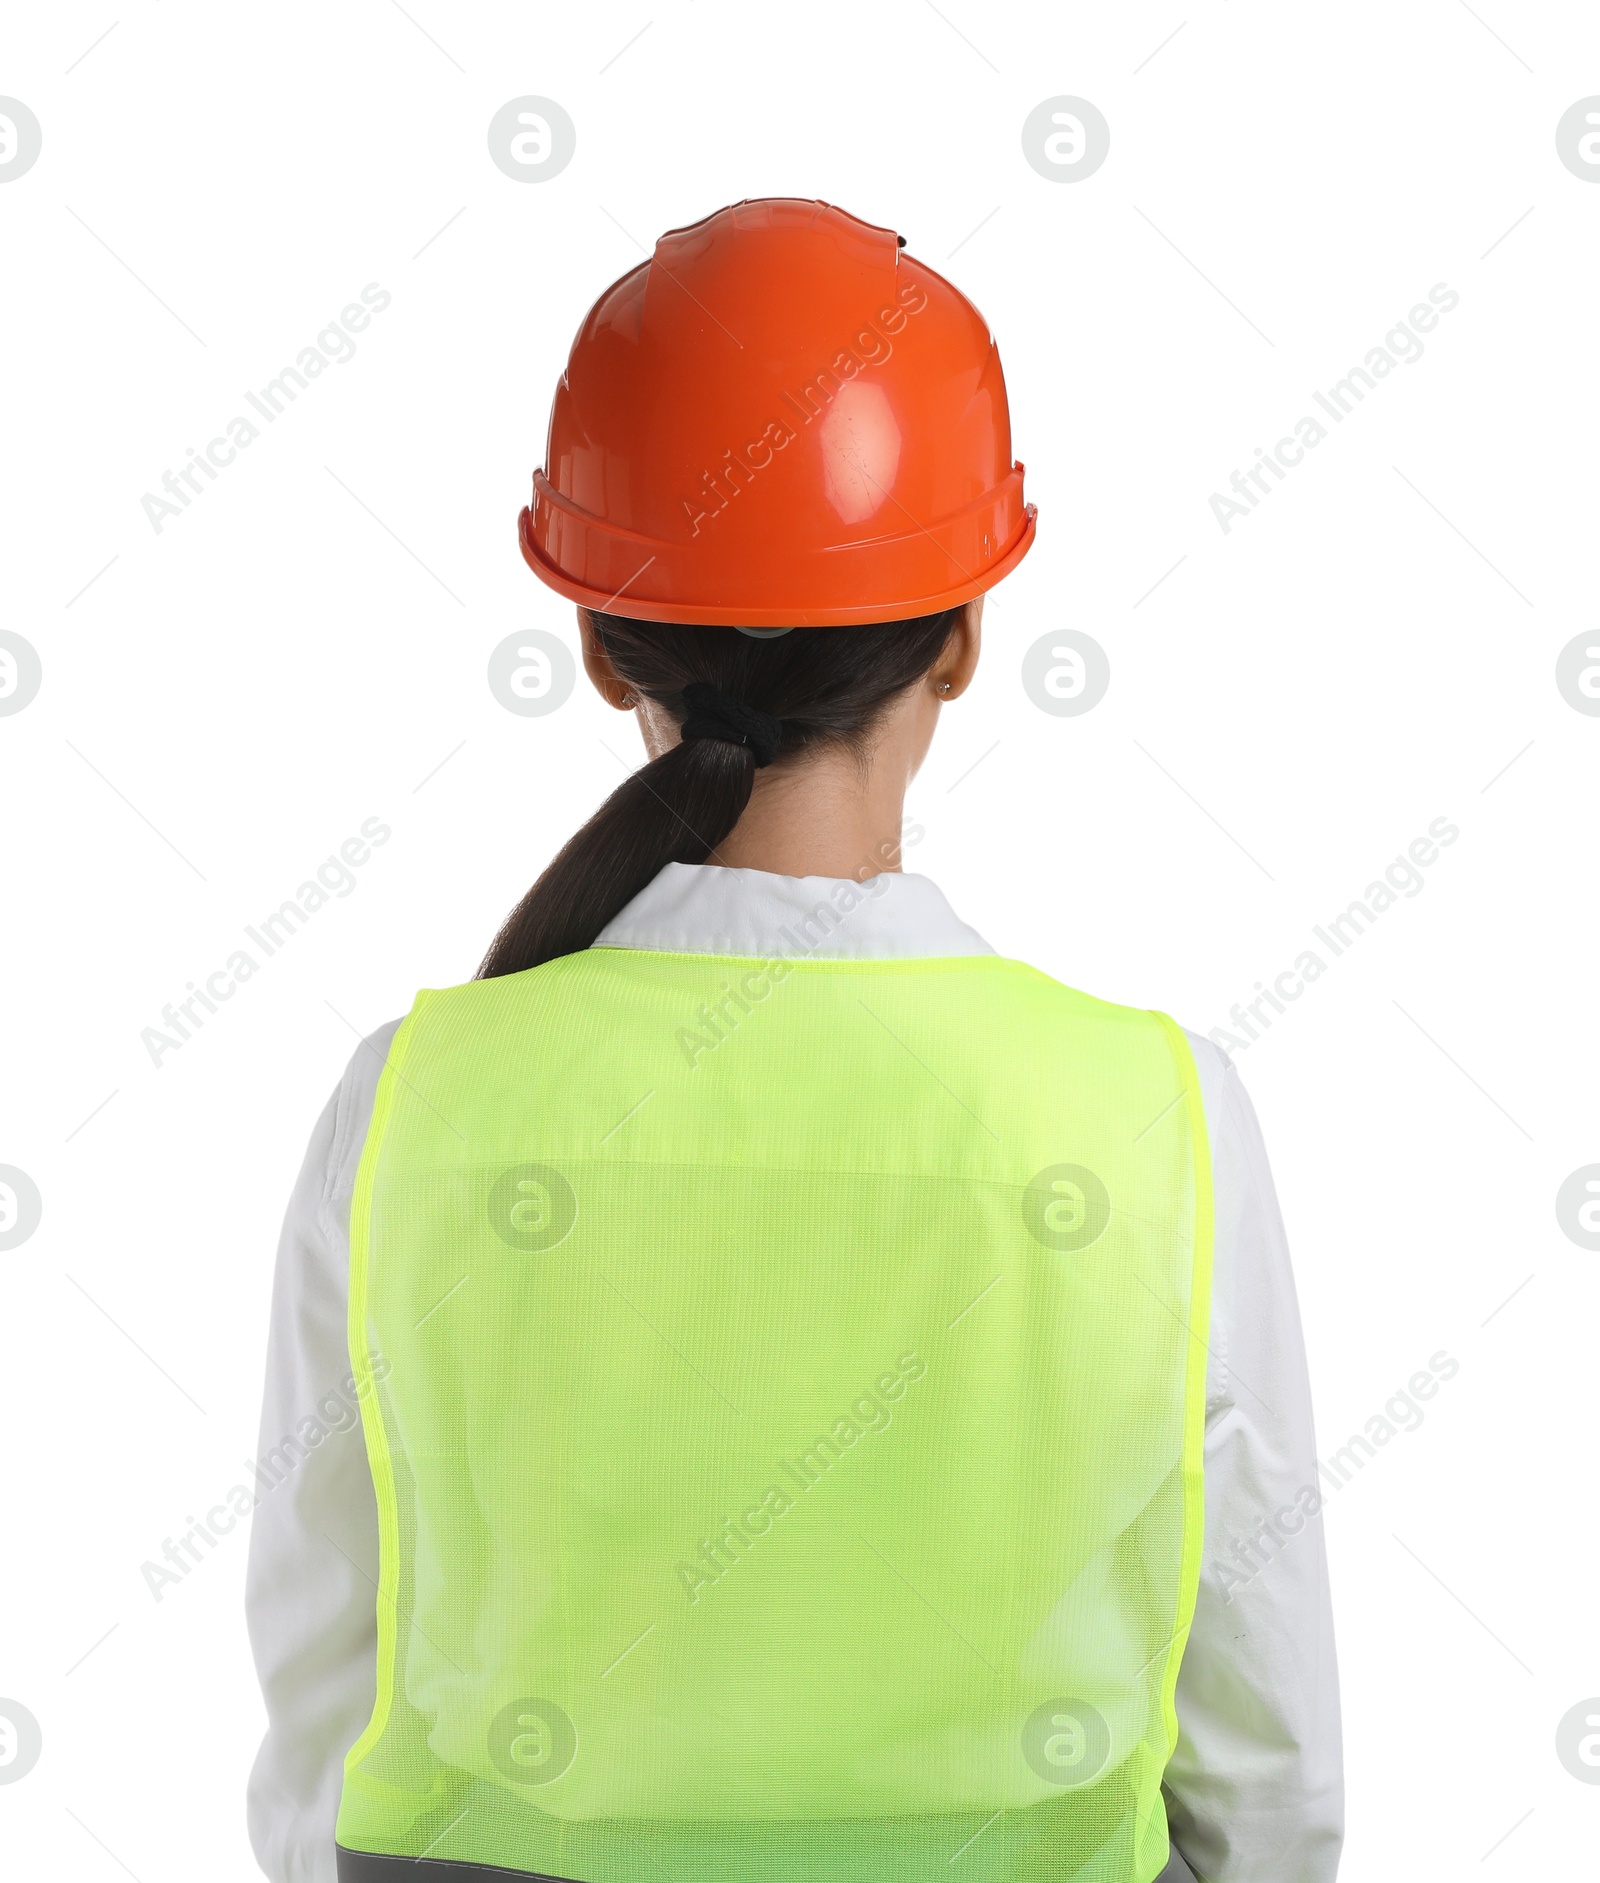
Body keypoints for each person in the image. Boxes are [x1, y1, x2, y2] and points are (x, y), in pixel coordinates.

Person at [247, 199, 1342, 1883]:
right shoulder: (1155, 1116)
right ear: (967, 636)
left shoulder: (410, 1107)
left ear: (602, 642)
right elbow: (1267, 1776)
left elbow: (326, 1710)